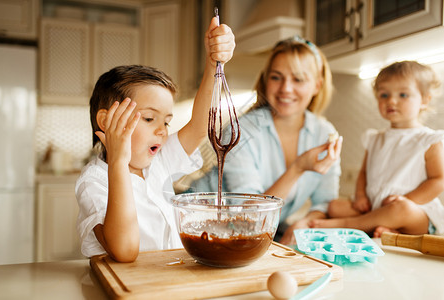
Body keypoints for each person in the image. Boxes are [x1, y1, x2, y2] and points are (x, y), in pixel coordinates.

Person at [75, 17, 235, 262]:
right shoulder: (94, 182)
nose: (162, 131)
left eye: (166, 121)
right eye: (149, 119)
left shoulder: (156, 160)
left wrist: (213, 64)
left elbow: (199, 128)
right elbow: (125, 252)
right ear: (106, 122)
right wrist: (118, 161)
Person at [190, 36, 342, 245]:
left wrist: (305, 223)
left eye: (298, 79)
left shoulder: (324, 133)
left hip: (249, 234)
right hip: (198, 224)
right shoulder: (241, 130)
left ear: (317, 85)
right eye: (276, 77)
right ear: (265, 80)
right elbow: (249, 215)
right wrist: (298, 168)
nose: (286, 88)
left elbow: (325, 202)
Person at [311, 61, 444, 237]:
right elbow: (364, 172)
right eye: (384, 95)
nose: (392, 101)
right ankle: (389, 231)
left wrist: (407, 199)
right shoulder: (375, 138)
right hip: (376, 206)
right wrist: (360, 196)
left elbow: (438, 180)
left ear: (425, 100)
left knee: (400, 210)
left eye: (403, 94)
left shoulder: (428, 140)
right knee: (334, 206)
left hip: (415, 212)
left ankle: (349, 225)